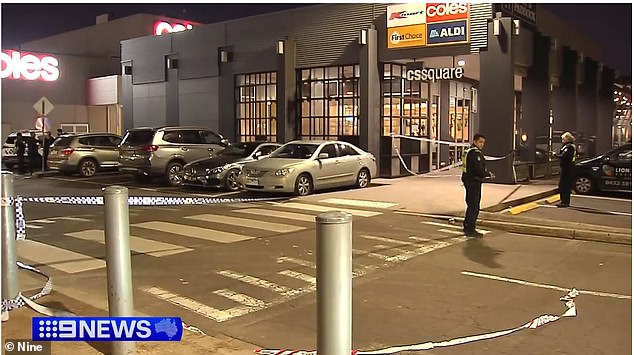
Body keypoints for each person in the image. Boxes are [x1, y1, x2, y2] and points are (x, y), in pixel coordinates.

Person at [461, 133, 495, 237]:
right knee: (474, 206)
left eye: (483, 142)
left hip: (467, 179)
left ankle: (467, 225)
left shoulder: (468, 150)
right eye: (480, 142)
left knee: (470, 204)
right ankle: (470, 229)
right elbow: (478, 169)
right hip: (473, 181)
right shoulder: (475, 153)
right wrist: (488, 174)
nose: (482, 144)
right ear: (475, 141)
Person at [556, 132, 576, 208]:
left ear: (567, 139)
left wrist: (556, 155)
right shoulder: (569, 146)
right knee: (564, 185)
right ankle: (564, 201)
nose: (562, 140)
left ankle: (564, 202)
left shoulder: (569, 147)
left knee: (564, 185)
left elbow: (565, 156)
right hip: (567, 167)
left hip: (567, 168)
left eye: (563, 139)